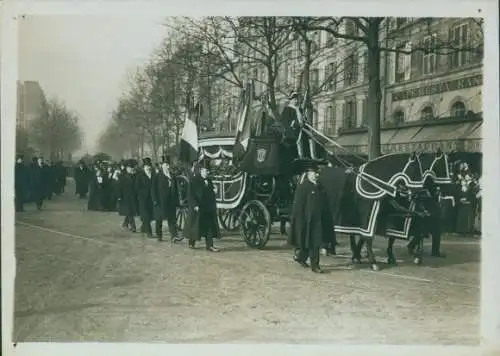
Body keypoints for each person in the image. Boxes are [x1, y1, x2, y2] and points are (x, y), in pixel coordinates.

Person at [288, 161, 329, 273]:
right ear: (308, 174)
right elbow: (298, 207)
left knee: (314, 243)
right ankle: (314, 265)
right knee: (309, 243)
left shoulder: (320, 187)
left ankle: (306, 261)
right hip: (307, 221)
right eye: (314, 173)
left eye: (317, 173)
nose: (316, 175)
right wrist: (300, 222)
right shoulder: (303, 187)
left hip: (318, 221)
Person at [186, 162, 220, 251]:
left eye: (207, 171)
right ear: (201, 171)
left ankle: (209, 245)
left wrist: (214, 192)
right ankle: (191, 242)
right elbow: (190, 194)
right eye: (204, 171)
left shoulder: (209, 180)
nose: (206, 173)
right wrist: (195, 205)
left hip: (207, 207)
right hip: (198, 207)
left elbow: (210, 193)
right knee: (196, 226)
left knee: (208, 226)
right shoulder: (194, 180)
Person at [152, 156, 180, 242]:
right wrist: (155, 200)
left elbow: (176, 189)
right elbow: (153, 189)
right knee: (159, 219)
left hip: (171, 201)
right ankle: (159, 235)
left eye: (168, 165)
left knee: (172, 219)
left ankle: (174, 236)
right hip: (160, 201)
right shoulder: (157, 176)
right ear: (162, 166)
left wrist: (177, 201)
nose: (167, 167)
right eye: (165, 165)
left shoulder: (172, 176)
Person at [136, 158, 155, 238]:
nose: (148, 167)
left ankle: (143, 227)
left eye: (149, 166)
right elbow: (137, 187)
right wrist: (143, 193)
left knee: (150, 215)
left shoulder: (153, 174)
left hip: (151, 199)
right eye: (146, 166)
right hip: (143, 199)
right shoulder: (140, 175)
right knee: (146, 215)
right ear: (143, 167)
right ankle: (149, 232)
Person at [118, 159, 138, 232]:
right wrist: (119, 196)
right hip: (125, 197)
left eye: (132, 168)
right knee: (130, 212)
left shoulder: (135, 176)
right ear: (126, 168)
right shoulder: (122, 176)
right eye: (129, 168)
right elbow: (119, 187)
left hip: (133, 196)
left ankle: (125, 223)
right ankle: (133, 226)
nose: (131, 169)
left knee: (130, 211)